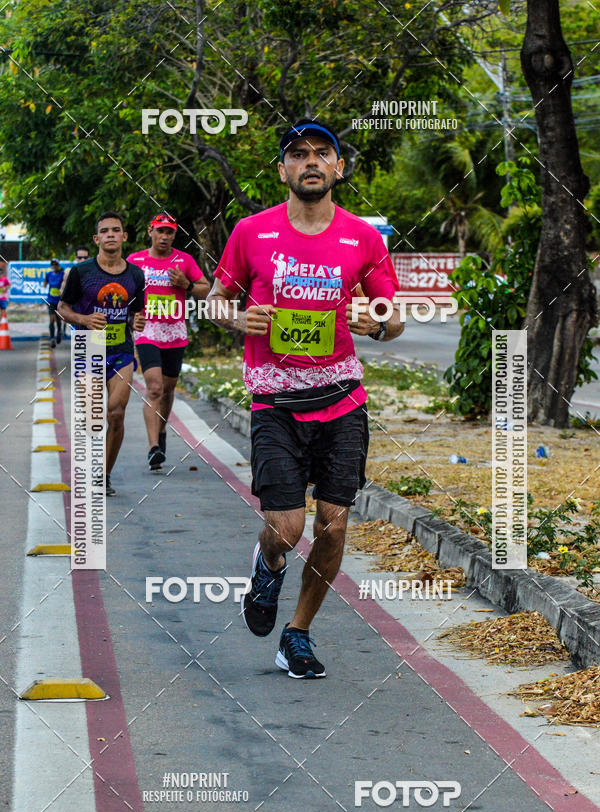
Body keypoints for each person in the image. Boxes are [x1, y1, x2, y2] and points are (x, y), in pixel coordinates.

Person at [207, 118, 403, 678]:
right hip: (275, 403)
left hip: (343, 402)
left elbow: (394, 318)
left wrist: (378, 322)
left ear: (339, 168)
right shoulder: (251, 231)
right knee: (286, 530)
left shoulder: (363, 238)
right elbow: (218, 300)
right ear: (283, 170)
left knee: (334, 526)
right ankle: (266, 567)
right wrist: (237, 317)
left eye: (323, 153)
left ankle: (297, 633)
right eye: (298, 154)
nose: (311, 161)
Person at [57, 212, 145, 496]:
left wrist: (137, 321)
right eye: (104, 231)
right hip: (89, 349)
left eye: (115, 230)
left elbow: (135, 312)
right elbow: (62, 308)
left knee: (116, 414)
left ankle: (104, 475)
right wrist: (84, 320)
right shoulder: (82, 273)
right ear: (96, 238)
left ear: (124, 236)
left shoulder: (135, 275)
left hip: (121, 350)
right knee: (92, 419)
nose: (110, 234)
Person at [127, 213, 210, 469]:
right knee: (154, 388)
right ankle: (153, 448)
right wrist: (131, 319)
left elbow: (206, 288)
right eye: (160, 231)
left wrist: (186, 285)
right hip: (147, 331)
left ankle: (161, 431)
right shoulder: (135, 260)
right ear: (150, 231)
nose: (164, 237)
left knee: (169, 388)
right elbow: (123, 293)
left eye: (169, 232)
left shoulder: (183, 260)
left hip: (175, 330)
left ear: (174, 235)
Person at [60, 246, 91, 337]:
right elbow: (63, 295)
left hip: (93, 315)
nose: (82, 260)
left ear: (89, 258)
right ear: (75, 258)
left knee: (96, 349)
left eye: (85, 258)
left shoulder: (94, 272)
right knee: (81, 348)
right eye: (79, 258)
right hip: (77, 315)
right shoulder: (69, 273)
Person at [43, 259, 65, 348]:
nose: (54, 266)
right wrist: (44, 284)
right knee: (52, 320)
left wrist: (62, 290)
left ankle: (59, 332)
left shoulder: (62, 274)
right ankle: (52, 338)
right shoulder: (49, 274)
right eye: (53, 264)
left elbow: (65, 284)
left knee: (58, 319)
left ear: (58, 265)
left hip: (59, 301)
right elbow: (45, 283)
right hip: (51, 300)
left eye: (56, 264)